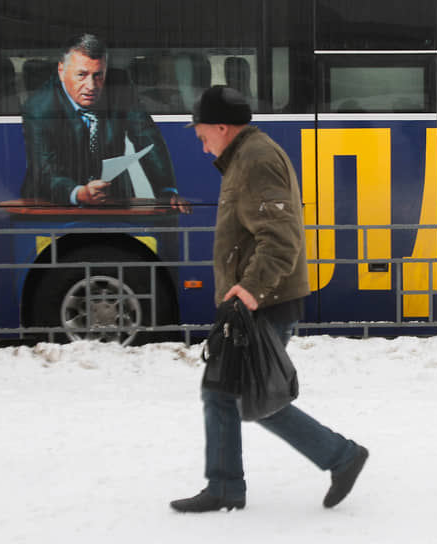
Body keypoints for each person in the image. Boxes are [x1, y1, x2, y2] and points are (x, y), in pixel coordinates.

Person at [170, 85, 368, 513]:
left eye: (203, 135)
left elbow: (281, 237)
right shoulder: (245, 157)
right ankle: (227, 486)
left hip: (263, 302)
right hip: (254, 300)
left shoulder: (256, 161)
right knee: (230, 392)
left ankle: (341, 456)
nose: (202, 146)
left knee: (252, 395)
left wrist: (252, 290)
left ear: (222, 127)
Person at [20, 33, 189, 211]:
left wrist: (167, 191)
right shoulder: (38, 108)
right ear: (62, 71)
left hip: (112, 198)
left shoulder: (119, 85)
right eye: (81, 75)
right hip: (54, 203)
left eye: (98, 76)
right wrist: (79, 193)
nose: (91, 86)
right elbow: (44, 170)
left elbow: (147, 137)